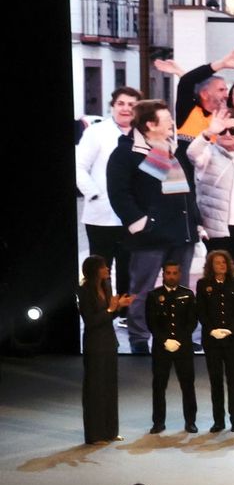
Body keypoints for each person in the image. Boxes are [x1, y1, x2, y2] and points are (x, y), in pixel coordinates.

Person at [107, 99, 201, 355]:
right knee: (143, 289)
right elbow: (119, 194)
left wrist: (195, 222)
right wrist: (140, 223)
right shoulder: (126, 152)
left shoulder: (171, 148)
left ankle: (177, 335)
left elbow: (185, 190)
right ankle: (139, 337)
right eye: (166, 119)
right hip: (149, 236)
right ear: (150, 124)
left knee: (179, 291)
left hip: (180, 233)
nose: (172, 122)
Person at [76, 86, 141, 299]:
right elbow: (78, 166)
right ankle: (103, 311)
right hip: (101, 216)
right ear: (112, 106)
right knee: (100, 271)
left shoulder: (143, 134)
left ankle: (124, 312)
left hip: (132, 216)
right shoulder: (97, 132)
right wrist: (94, 194)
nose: (125, 108)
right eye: (120, 103)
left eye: (131, 104)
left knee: (128, 270)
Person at [188, 107, 234, 278]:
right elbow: (192, 153)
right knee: (221, 280)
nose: (228, 134)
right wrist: (209, 132)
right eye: (223, 130)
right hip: (219, 229)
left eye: (233, 130)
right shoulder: (208, 153)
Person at [79, 255, 130, 445]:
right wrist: (110, 309)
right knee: (96, 390)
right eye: (103, 267)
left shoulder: (106, 286)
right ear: (95, 270)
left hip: (109, 343)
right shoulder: (84, 291)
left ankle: (110, 432)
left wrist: (118, 307)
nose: (107, 269)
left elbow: (110, 316)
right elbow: (91, 321)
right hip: (94, 346)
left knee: (110, 388)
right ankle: (95, 435)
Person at [195, 249, 234, 432]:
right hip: (212, 341)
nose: (222, 265)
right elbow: (201, 311)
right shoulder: (203, 284)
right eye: (217, 263)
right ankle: (219, 421)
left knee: (233, 380)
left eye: (224, 262)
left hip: (233, 340)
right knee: (216, 381)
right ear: (211, 266)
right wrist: (212, 330)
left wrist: (230, 329)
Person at [145, 260, 199, 434]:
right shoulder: (154, 295)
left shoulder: (188, 294)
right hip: (161, 348)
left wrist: (179, 340)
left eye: (175, 273)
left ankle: (190, 422)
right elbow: (151, 323)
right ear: (163, 274)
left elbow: (192, 321)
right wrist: (165, 340)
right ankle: (158, 422)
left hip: (183, 347)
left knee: (188, 385)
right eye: (168, 273)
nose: (171, 276)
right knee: (159, 386)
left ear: (180, 274)